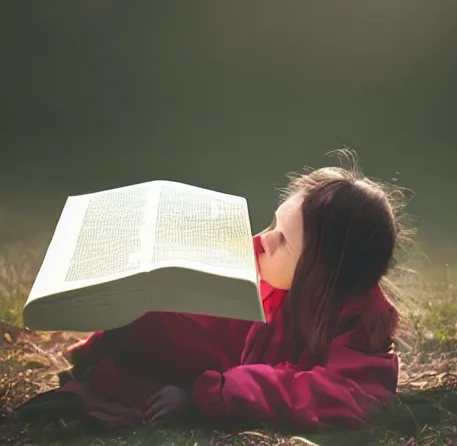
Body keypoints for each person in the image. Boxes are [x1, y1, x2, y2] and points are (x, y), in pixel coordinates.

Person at [51, 151, 413, 430]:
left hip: (237, 383)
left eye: (283, 239)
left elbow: (352, 395)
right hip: (234, 363)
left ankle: (122, 371)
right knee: (156, 316)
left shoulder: (360, 325)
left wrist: (216, 395)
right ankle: (111, 350)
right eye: (273, 223)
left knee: (143, 373)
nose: (263, 239)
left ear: (322, 272)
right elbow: (220, 328)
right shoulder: (286, 282)